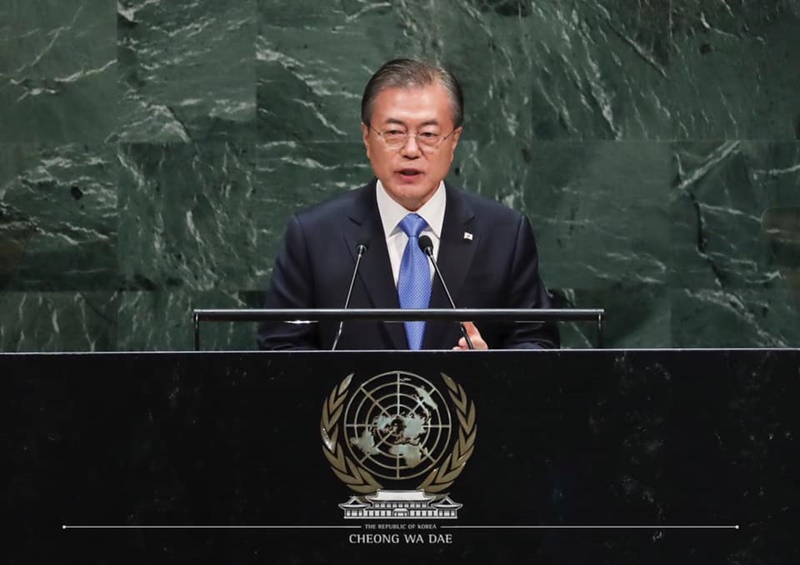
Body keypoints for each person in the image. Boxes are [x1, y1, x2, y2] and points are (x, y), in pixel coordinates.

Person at [257, 58, 559, 351]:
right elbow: (281, 347)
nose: (411, 149)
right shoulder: (314, 235)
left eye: (428, 134)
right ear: (366, 138)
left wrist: (491, 368)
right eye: (394, 133)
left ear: (454, 141)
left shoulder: (504, 234)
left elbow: (539, 343)